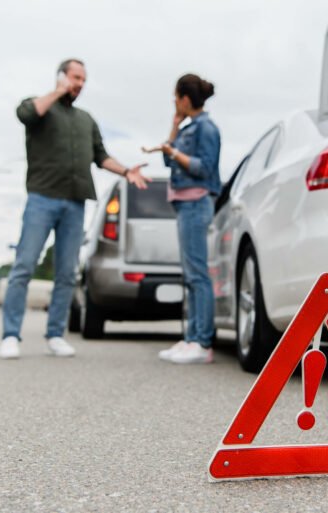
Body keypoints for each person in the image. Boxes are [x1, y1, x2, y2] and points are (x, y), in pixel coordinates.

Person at [0, 58, 150, 360]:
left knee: (67, 273)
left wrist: (125, 171)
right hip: (42, 199)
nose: (80, 84)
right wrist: (57, 91)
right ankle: (11, 335)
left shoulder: (86, 119)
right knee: (24, 266)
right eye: (75, 77)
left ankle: (55, 335)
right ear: (61, 77)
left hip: (75, 202)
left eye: (83, 80)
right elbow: (26, 114)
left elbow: (100, 156)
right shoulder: (39, 105)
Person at [143, 74, 221, 364]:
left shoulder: (207, 129)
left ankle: (202, 343)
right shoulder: (188, 128)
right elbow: (168, 161)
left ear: (186, 99)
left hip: (196, 203)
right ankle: (190, 339)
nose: (174, 103)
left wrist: (173, 151)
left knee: (198, 275)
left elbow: (205, 167)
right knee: (190, 275)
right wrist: (174, 128)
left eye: (176, 98)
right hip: (185, 205)